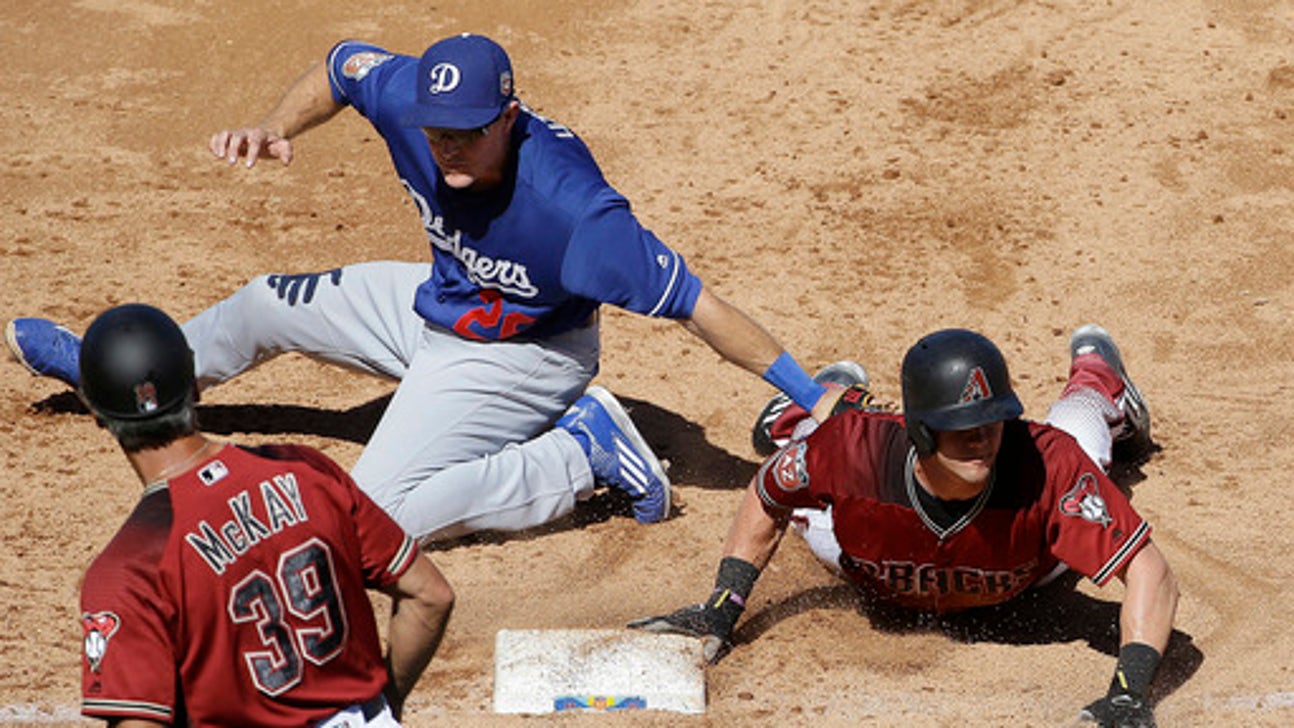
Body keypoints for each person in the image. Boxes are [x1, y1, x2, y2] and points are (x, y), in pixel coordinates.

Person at [5, 32, 837, 543]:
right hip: (435, 301)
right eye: (439, 133)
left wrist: (811, 395)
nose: (448, 149)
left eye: (469, 135)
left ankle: (581, 454)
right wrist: (272, 127)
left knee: (372, 518)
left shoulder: (581, 221)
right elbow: (340, 65)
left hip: (523, 357)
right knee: (264, 303)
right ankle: (127, 384)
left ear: (509, 117)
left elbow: (701, 308)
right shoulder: (412, 102)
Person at [630, 325, 1179, 728]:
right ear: (921, 433)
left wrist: (1129, 692)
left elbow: (1150, 570)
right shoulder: (854, 455)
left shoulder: (1045, 465)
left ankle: (1099, 379)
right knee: (808, 485)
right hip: (864, 558)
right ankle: (811, 404)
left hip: (1031, 573)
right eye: (961, 428)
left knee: (1079, 434)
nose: (982, 440)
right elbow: (768, 493)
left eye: (992, 422)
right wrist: (722, 607)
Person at [75, 303, 454, 726]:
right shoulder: (305, 470)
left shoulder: (128, 568)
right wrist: (386, 706)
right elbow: (430, 596)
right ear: (195, 385)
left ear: (94, 412)